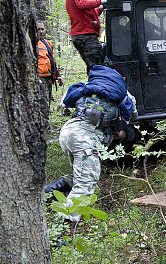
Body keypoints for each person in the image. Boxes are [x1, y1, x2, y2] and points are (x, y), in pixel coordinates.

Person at [44, 65, 137, 221]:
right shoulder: (124, 97)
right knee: (86, 182)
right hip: (86, 139)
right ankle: (64, 225)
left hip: (68, 133)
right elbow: (130, 119)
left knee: (81, 173)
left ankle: (49, 192)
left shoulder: (86, 87)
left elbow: (64, 104)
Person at [66, 0, 106, 74]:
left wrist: (99, 9)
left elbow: (87, 14)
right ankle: (98, 87)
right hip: (85, 35)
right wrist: (99, 0)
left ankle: (95, 85)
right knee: (97, 66)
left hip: (80, 34)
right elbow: (82, 4)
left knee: (93, 65)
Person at [36, 21, 63, 103]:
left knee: (47, 103)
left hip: (49, 78)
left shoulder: (48, 43)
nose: (41, 31)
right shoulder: (33, 43)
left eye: (42, 29)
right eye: (38, 29)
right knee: (42, 105)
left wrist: (58, 75)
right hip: (40, 78)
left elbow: (52, 60)